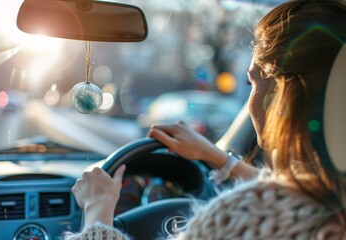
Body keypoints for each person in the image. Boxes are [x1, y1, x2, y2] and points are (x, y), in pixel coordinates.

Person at [65, 0, 346, 239]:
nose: (252, 97)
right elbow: (297, 191)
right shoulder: (329, 201)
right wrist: (219, 158)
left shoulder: (244, 216)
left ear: (280, 93)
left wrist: (97, 208)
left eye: (252, 83)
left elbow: (280, 200)